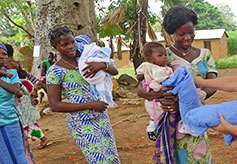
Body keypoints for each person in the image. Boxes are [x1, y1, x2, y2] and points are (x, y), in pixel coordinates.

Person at [137, 6, 218, 163]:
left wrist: (196, 96)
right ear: (172, 33)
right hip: (171, 121)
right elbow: (141, 88)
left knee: (199, 156)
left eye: (191, 32)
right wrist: (165, 96)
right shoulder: (161, 55)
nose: (187, 37)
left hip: (196, 117)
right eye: (181, 34)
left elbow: (213, 84)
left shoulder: (205, 55)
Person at [46, 26, 120, 163]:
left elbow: (114, 71)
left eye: (72, 42)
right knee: (99, 160)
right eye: (64, 44)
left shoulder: (86, 58)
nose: (71, 46)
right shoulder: (55, 72)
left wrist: (103, 65)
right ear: (55, 47)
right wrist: (91, 105)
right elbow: (55, 105)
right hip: (81, 121)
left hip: (101, 116)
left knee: (112, 158)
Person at [135, 42, 173, 141]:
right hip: (151, 98)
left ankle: (161, 130)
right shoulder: (147, 65)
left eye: (165, 55)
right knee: (154, 115)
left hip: (162, 96)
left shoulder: (166, 68)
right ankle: (151, 129)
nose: (164, 57)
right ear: (150, 59)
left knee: (164, 114)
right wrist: (143, 77)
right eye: (160, 55)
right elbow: (139, 74)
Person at [0, 43, 28, 164]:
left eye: (4, 54)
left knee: (19, 156)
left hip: (10, 121)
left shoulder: (12, 73)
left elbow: (17, 91)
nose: (2, 56)